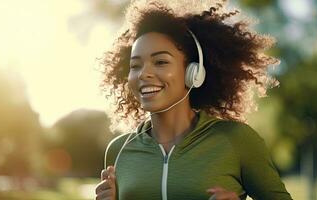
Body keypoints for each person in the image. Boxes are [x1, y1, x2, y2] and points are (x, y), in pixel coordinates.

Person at [95, 0, 293, 199]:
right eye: (135, 65)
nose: (143, 74)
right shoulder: (119, 151)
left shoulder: (236, 139)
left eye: (161, 62)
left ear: (193, 72)